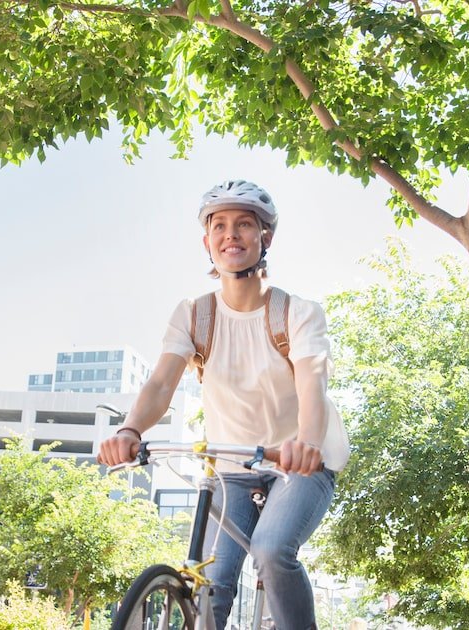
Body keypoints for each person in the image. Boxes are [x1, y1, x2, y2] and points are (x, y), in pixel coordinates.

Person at [97, 180, 350, 630]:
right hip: (232, 467)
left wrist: (306, 443)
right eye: (220, 226)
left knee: (271, 551)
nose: (231, 234)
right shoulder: (195, 315)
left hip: (299, 465)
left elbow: (313, 385)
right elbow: (160, 384)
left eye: (244, 225)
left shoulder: (297, 313)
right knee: (209, 584)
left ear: (264, 237)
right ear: (207, 241)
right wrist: (129, 430)